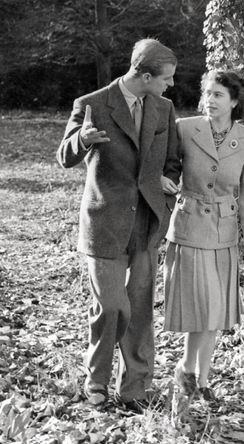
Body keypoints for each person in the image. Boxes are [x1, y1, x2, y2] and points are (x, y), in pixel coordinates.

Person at [57, 38, 180, 413]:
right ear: (144, 75)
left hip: (145, 223)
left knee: (140, 309)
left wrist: (164, 186)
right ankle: (96, 381)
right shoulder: (92, 104)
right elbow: (64, 156)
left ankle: (135, 389)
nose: (171, 85)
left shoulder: (164, 108)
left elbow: (171, 162)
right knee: (112, 306)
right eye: (166, 78)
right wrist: (82, 139)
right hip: (105, 222)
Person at [163, 70, 244, 401]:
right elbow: (167, 169)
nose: (210, 100)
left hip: (224, 233)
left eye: (218, 95)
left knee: (215, 311)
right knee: (203, 308)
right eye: (207, 93)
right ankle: (187, 369)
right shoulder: (185, 128)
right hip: (190, 227)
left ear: (235, 101)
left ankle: (201, 380)